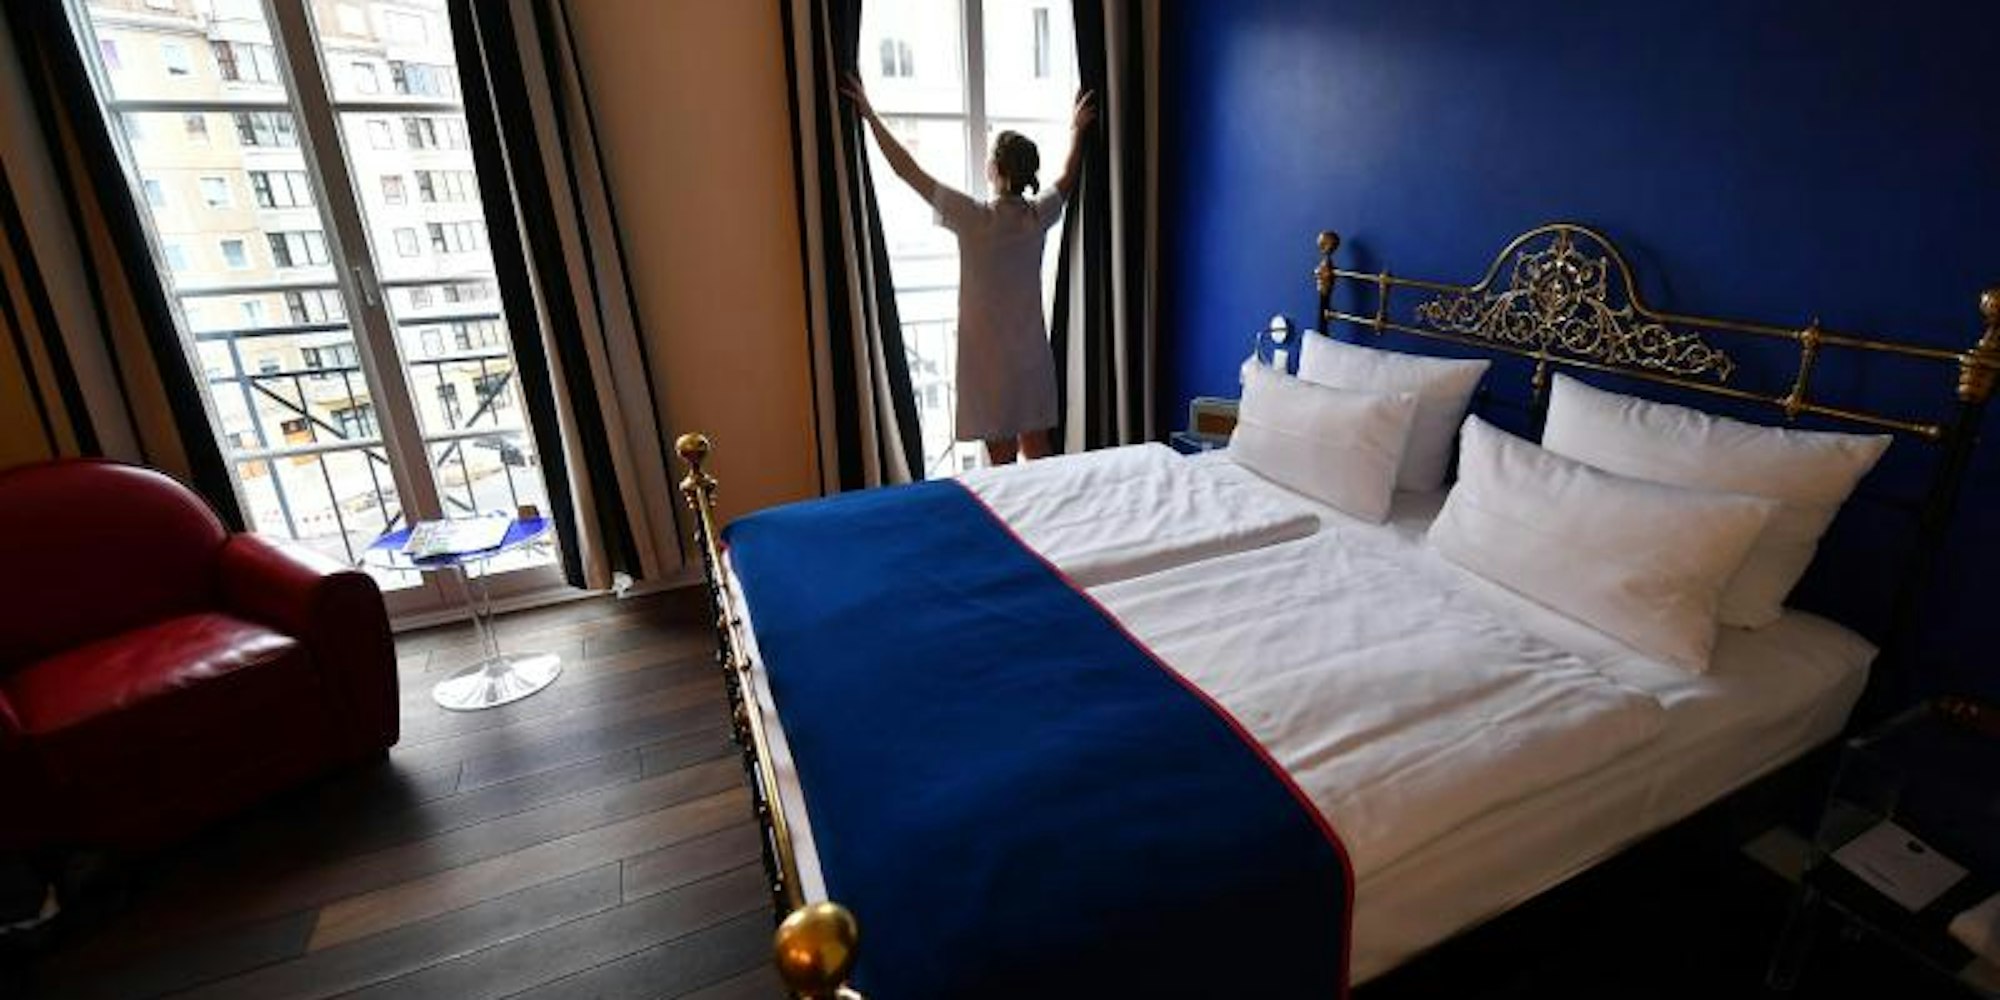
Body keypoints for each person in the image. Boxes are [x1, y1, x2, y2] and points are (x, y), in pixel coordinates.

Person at [841, 74, 1095, 465]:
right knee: (1040, 458)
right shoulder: (1037, 216)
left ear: (996, 169)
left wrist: (871, 117)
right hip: (1031, 359)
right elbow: (1067, 177)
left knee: (1003, 467)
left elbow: (908, 171)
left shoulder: (974, 219)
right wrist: (1077, 131)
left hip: (989, 364)